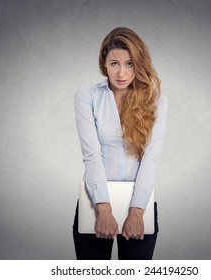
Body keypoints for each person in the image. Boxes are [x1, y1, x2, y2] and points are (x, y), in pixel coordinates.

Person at [73, 27, 168, 260]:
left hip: (139, 205)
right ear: (104, 63)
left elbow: (151, 158)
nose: (122, 73)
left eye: (130, 64)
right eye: (114, 63)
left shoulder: (156, 101)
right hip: (94, 204)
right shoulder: (87, 96)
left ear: (139, 64)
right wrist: (103, 208)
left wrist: (136, 211)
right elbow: (91, 155)